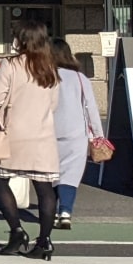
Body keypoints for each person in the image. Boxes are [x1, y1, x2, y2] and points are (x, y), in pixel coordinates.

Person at [0, 21, 62, 258]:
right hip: (43, 135)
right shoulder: (50, 66)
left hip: (13, 134)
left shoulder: (11, 64)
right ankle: (45, 240)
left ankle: (17, 230)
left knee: (0, 180)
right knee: (45, 188)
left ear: (22, 39)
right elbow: (54, 104)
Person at [50, 37, 102, 232]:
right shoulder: (80, 78)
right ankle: (65, 211)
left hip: (48, 131)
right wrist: (98, 134)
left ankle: (52, 211)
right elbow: (91, 108)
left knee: (51, 173)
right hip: (76, 132)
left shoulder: (44, 76)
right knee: (70, 174)